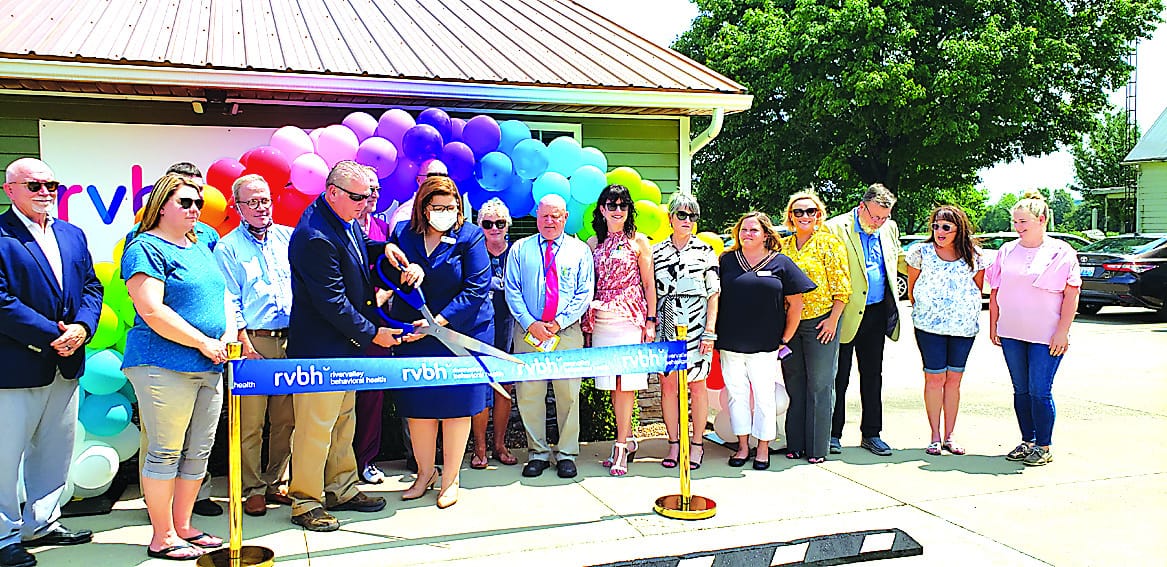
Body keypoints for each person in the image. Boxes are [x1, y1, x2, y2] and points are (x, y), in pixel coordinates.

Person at [286, 160, 415, 531]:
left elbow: (358, 250)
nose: (366, 203)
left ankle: (340, 488)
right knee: (315, 429)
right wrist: (373, 333)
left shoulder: (342, 219)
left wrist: (383, 248)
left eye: (370, 195)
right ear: (333, 193)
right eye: (359, 197)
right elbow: (333, 303)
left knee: (344, 422)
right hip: (321, 350)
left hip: (344, 347)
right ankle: (305, 501)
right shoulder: (314, 236)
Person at [121, 174, 229, 560]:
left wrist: (223, 337)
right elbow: (151, 310)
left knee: (199, 450)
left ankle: (183, 526)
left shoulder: (202, 242)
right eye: (185, 202)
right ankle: (162, 536)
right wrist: (202, 341)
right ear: (161, 205)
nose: (195, 209)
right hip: (162, 364)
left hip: (209, 365)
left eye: (198, 202)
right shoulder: (144, 247)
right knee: (165, 451)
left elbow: (220, 296)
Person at [1, 158, 102, 567]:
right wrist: (52, 335)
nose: (45, 192)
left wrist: (82, 327)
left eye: (51, 184)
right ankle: (4, 536)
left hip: (66, 364)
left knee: (55, 450)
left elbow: (92, 286)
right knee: (5, 458)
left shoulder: (71, 234)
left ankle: (41, 522)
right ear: (10, 190)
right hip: (16, 367)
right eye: (34, 185)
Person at [387, 175, 493, 509]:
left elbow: (477, 288)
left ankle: (450, 478)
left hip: (458, 334)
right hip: (416, 334)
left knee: (455, 408)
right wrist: (405, 274)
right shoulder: (403, 234)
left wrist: (439, 322)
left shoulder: (470, 236)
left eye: (452, 207)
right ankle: (424, 474)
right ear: (424, 207)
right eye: (439, 207)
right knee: (419, 407)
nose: (447, 213)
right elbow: (388, 277)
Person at [212, 174, 295, 517]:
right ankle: (252, 488)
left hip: (290, 339)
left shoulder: (288, 237)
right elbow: (229, 299)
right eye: (252, 202)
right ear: (237, 207)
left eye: (265, 200)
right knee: (250, 423)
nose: (261, 208)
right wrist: (244, 342)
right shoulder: (227, 247)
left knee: (286, 419)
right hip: (253, 342)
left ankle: (277, 481)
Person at [986, 192, 1080, 467]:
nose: (1018, 227)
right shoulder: (1007, 251)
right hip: (1011, 332)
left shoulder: (1061, 251)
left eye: (1023, 221)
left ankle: (1044, 445)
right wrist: (994, 324)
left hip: (1045, 335)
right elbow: (995, 290)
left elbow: (1071, 293)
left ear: (1042, 220)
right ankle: (1027, 441)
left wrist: (1062, 331)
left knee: (1040, 390)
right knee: (1021, 390)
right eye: (1015, 221)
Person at [716, 212, 815, 470]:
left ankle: (762, 448)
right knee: (736, 395)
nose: (747, 234)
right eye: (743, 229)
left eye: (754, 230)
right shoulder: (726, 261)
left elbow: (796, 304)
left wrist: (785, 338)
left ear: (765, 235)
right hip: (731, 343)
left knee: (764, 397)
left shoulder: (781, 263)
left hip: (766, 345)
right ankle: (742, 446)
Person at [505, 194, 595, 479]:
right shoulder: (520, 249)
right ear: (536, 217)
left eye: (555, 216)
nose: (550, 221)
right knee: (529, 394)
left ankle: (566, 453)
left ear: (565, 217)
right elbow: (512, 290)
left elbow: (584, 292)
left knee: (568, 394)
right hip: (528, 333)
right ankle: (538, 453)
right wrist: (530, 323)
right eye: (544, 216)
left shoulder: (580, 251)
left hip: (565, 332)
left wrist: (559, 322)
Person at [583, 184, 656, 476]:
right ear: (602, 209)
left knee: (626, 383)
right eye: (611, 205)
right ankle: (628, 438)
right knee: (612, 384)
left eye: (622, 205)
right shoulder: (592, 243)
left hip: (629, 318)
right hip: (602, 318)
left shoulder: (639, 241)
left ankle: (621, 447)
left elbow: (648, 284)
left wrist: (650, 321)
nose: (617, 210)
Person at [825, 183, 903, 456]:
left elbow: (895, 262)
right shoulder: (835, 228)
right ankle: (832, 434)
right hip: (844, 313)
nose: (879, 222)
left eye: (884, 217)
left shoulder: (889, 229)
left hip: (877, 311)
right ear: (861, 207)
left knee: (872, 375)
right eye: (875, 216)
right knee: (839, 377)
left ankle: (871, 433)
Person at [906, 205, 986, 456]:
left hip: (963, 328)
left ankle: (950, 436)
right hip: (929, 327)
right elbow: (912, 289)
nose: (939, 231)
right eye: (936, 226)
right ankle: (934, 436)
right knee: (934, 379)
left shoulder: (974, 255)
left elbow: (977, 288)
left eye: (946, 227)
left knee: (953, 381)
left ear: (958, 229)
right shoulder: (920, 253)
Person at [779, 192, 851, 464]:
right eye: (798, 212)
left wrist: (833, 320)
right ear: (790, 216)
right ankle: (795, 443)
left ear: (819, 214)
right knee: (795, 383)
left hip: (821, 322)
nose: (805, 216)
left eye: (810, 211)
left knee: (820, 384)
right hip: (790, 324)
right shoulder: (783, 247)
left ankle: (818, 447)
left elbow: (842, 288)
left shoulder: (829, 243)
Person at [652, 193, 719, 470]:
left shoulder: (706, 251)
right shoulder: (656, 252)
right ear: (670, 218)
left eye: (692, 216)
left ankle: (697, 444)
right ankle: (674, 443)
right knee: (668, 386)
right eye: (682, 214)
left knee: (697, 385)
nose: (687, 220)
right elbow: (649, 291)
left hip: (697, 327)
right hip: (666, 326)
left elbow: (714, 293)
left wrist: (710, 331)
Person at [469, 198, 519, 469]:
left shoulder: (516, 253)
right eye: (488, 224)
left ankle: (500, 444)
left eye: (500, 223)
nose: (494, 228)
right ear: (480, 226)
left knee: (504, 387)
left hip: (508, 325)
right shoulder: (473, 252)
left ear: (507, 224)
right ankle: (479, 448)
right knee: (480, 387)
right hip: (479, 325)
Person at [353, 170, 392, 485]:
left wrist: (383, 295)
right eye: (368, 190)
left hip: (378, 324)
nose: (374, 195)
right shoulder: (341, 227)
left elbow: (391, 275)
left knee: (372, 396)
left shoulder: (383, 229)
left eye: (377, 189)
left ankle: (366, 460)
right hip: (344, 323)